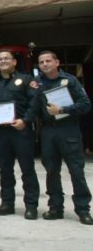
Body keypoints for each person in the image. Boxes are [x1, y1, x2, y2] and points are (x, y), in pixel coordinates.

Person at [35, 51, 92, 225]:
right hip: (48, 131)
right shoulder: (37, 84)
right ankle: (55, 208)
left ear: (57, 62)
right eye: (42, 62)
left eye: (48, 61)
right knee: (52, 171)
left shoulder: (70, 81)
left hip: (69, 130)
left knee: (76, 171)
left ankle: (83, 210)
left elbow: (85, 104)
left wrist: (61, 110)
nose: (45, 64)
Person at [0, 50, 40, 220]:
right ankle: (7, 203)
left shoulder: (27, 79)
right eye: (0, 59)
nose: (3, 61)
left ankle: (31, 206)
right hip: (1, 133)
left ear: (14, 62)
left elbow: (34, 103)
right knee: (5, 170)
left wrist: (26, 120)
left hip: (21, 131)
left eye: (6, 58)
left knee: (27, 169)